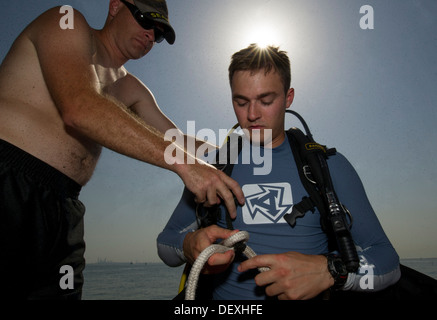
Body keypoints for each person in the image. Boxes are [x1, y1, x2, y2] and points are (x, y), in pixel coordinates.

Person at [0, 0, 244, 299]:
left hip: (65, 208)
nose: (150, 36)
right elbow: (80, 107)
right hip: (9, 180)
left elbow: (177, 140)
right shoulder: (66, 20)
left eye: (158, 33)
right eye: (146, 21)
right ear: (116, 6)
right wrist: (185, 166)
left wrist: (246, 155)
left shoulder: (133, 89)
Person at [157, 44, 401, 300]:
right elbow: (166, 244)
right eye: (241, 102)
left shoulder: (328, 166)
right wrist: (188, 245)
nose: (252, 115)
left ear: (288, 98)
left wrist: (329, 270)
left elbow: (387, 260)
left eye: (266, 100)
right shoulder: (212, 167)